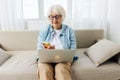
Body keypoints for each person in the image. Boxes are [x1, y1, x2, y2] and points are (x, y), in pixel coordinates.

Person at [37, 4, 76, 80]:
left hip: (63, 59)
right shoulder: (43, 31)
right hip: (46, 59)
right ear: (48, 18)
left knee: (61, 70)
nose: (54, 20)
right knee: (44, 70)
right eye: (51, 17)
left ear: (63, 17)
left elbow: (73, 48)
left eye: (57, 16)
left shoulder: (69, 31)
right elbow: (39, 49)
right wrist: (47, 50)